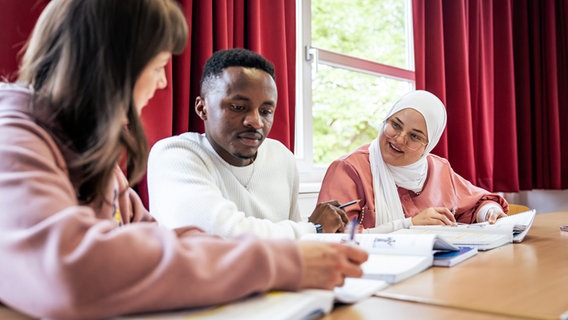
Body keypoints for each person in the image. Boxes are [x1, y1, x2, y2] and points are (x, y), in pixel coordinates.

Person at [0, 1, 368, 319]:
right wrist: (281, 263)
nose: (162, 83)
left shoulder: (92, 158)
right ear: (113, 66)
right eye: (159, 65)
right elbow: (69, 272)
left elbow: (154, 237)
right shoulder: (14, 141)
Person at [147, 48, 348, 239]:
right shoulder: (174, 155)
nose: (256, 121)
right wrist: (314, 229)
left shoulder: (282, 156)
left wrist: (312, 230)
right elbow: (219, 235)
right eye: (237, 107)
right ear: (202, 108)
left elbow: (294, 246)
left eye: (266, 111)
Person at [318, 90, 509, 233]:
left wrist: (490, 212)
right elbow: (335, 238)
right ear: (385, 121)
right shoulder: (348, 170)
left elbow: (477, 202)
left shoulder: (438, 169)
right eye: (395, 125)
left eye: (415, 137)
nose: (399, 139)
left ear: (429, 145)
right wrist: (409, 225)